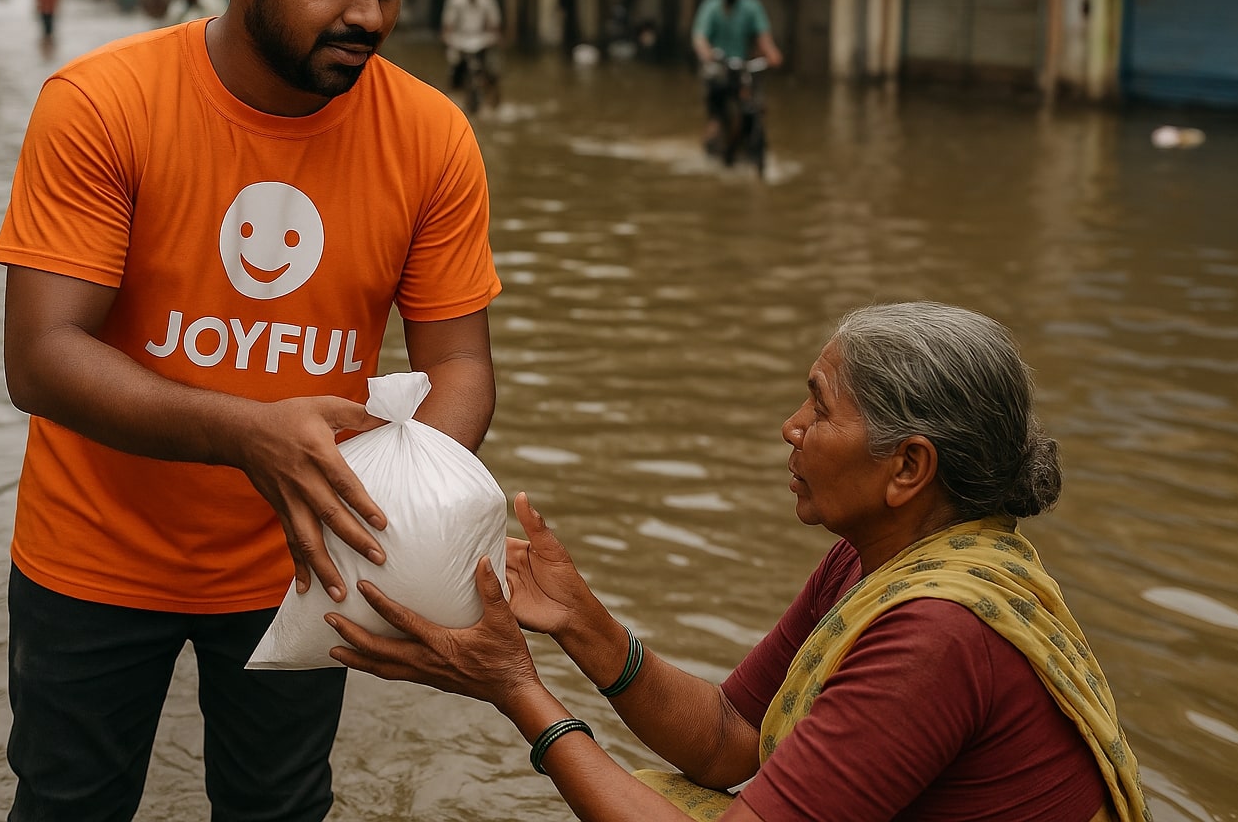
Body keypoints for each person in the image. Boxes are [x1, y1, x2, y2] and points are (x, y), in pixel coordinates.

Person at [0, 0, 500, 822]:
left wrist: (391, 518)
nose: (371, 15)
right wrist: (249, 432)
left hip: (301, 562)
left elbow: (462, 369)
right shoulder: (102, 105)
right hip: (93, 549)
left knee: (280, 807)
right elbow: (41, 358)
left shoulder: (432, 136)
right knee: (67, 803)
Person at [328, 302, 1152, 822]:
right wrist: (584, 624)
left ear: (909, 468)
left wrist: (518, 690)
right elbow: (734, 739)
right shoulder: (875, 562)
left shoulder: (938, 633)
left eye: (819, 408)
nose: (791, 428)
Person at [690, 0, 783, 158]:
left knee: (756, 104)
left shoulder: (751, 6)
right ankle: (714, 135)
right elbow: (700, 37)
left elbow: (763, 36)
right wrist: (707, 54)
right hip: (719, 67)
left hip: (743, 67)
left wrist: (772, 52)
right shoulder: (711, 7)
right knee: (718, 108)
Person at [440, 0, 502, 100]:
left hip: (482, 41)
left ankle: (494, 98)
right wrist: (448, 39)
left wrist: (494, 38)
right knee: (454, 67)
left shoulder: (487, 0)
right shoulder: (455, 0)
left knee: (493, 70)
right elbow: (447, 27)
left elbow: (494, 25)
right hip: (460, 42)